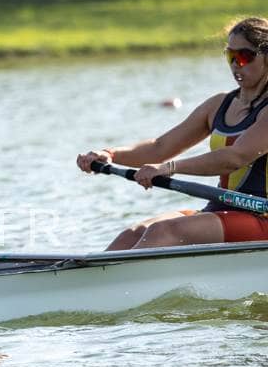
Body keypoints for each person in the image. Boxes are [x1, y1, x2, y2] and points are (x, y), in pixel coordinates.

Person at [77, 16, 268, 251]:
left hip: (262, 216)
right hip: (220, 209)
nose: (236, 64)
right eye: (230, 55)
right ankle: (87, 273)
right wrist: (110, 154)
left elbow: (234, 158)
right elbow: (160, 147)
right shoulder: (219, 104)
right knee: (134, 233)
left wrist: (169, 168)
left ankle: (116, 275)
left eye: (245, 56)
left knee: (164, 232)